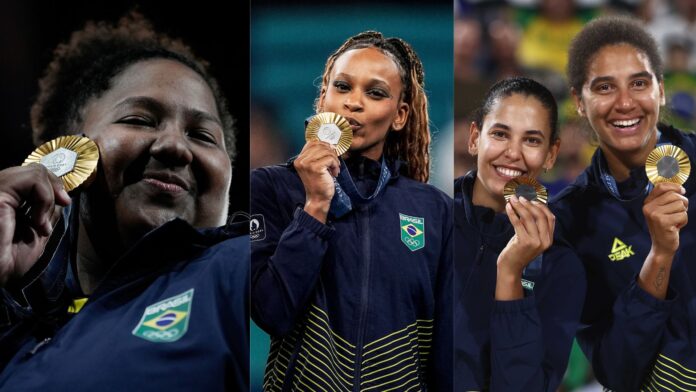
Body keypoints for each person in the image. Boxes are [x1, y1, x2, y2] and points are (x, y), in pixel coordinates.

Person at [0, 12, 248, 391]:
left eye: (202, 135)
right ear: (63, 156)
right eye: (140, 120)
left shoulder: (246, 270)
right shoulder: (14, 337)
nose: (175, 146)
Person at [250, 31, 452, 391]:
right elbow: (272, 312)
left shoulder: (435, 210)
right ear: (322, 98)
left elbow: (445, 351)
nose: (353, 103)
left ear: (400, 115)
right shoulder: (270, 188)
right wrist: (314, 207)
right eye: (342, 87)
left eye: (375, 93)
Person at [551, 16, 693, 391]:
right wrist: (659, 256)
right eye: (604, 87)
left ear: (661, 90)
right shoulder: (568, 221)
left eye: (639, 83)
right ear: (579, 103)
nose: (625, 102)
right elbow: (617, 371)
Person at [455, 77, 585, 391]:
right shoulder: (430, 225)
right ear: (475, 138)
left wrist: (510, 273)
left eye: (531, 140)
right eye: (500, 134)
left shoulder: (561, 267)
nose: (513, 153)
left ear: (552, 154)